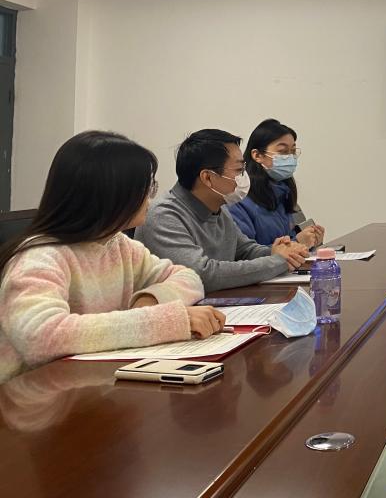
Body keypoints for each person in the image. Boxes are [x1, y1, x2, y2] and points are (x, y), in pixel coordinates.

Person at [0, 131, 223, 383]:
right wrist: (165, 320)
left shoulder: (116, 244)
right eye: (147, 188)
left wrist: (151, 300)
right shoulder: (38, 258)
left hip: (91, 384)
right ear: (110, 193)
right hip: (31, 394)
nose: (151, 198)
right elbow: (41, 337)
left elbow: (187, 277)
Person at [137, 129, 308, 291]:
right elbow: (202, 274)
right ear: (208, 177)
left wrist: (279, 251)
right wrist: (278, 261)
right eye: (239, 170)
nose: (244, 177)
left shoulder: (219, 207)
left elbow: (245, 250)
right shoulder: (163, 215)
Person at [229, 119, 324, 248]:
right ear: (257, 155)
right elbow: (244, 254)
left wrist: (311, 241)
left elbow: (288, 239)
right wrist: (297, 243)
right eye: (283, 151)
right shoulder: (239, 199)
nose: (290, 157)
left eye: (293, 151)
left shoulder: (282, 192)